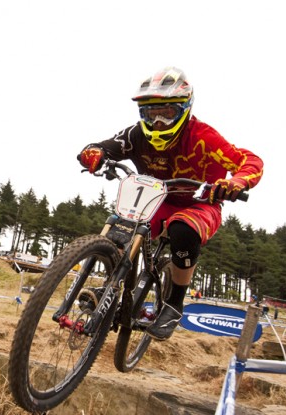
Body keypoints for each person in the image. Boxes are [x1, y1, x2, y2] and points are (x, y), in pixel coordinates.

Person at [77, 67, 264, 340]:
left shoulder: (203, 136)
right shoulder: (136, 135)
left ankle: (174, 304)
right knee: (123, 226)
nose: (158, 122)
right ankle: (109, 287)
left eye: (167, 113)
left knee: (182, 229)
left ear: (184, 109)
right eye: (150, 114)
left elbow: (249, 160)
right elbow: (104, 146)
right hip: (157, 199)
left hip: (201, 203)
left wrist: (236, 182)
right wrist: (92, 154)